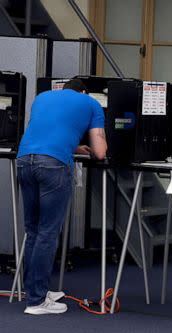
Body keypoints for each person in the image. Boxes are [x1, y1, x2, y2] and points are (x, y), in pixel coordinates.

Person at [17, 78, 107, 315]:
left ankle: (35, 291)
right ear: (85, 91)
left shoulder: (42, 97)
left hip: (25, 160)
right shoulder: (91, 103)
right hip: (54, 164)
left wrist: (74, 146)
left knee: (33, 230)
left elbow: (45, 130)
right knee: (48, 232)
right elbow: (99, 152)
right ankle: (37, 302)